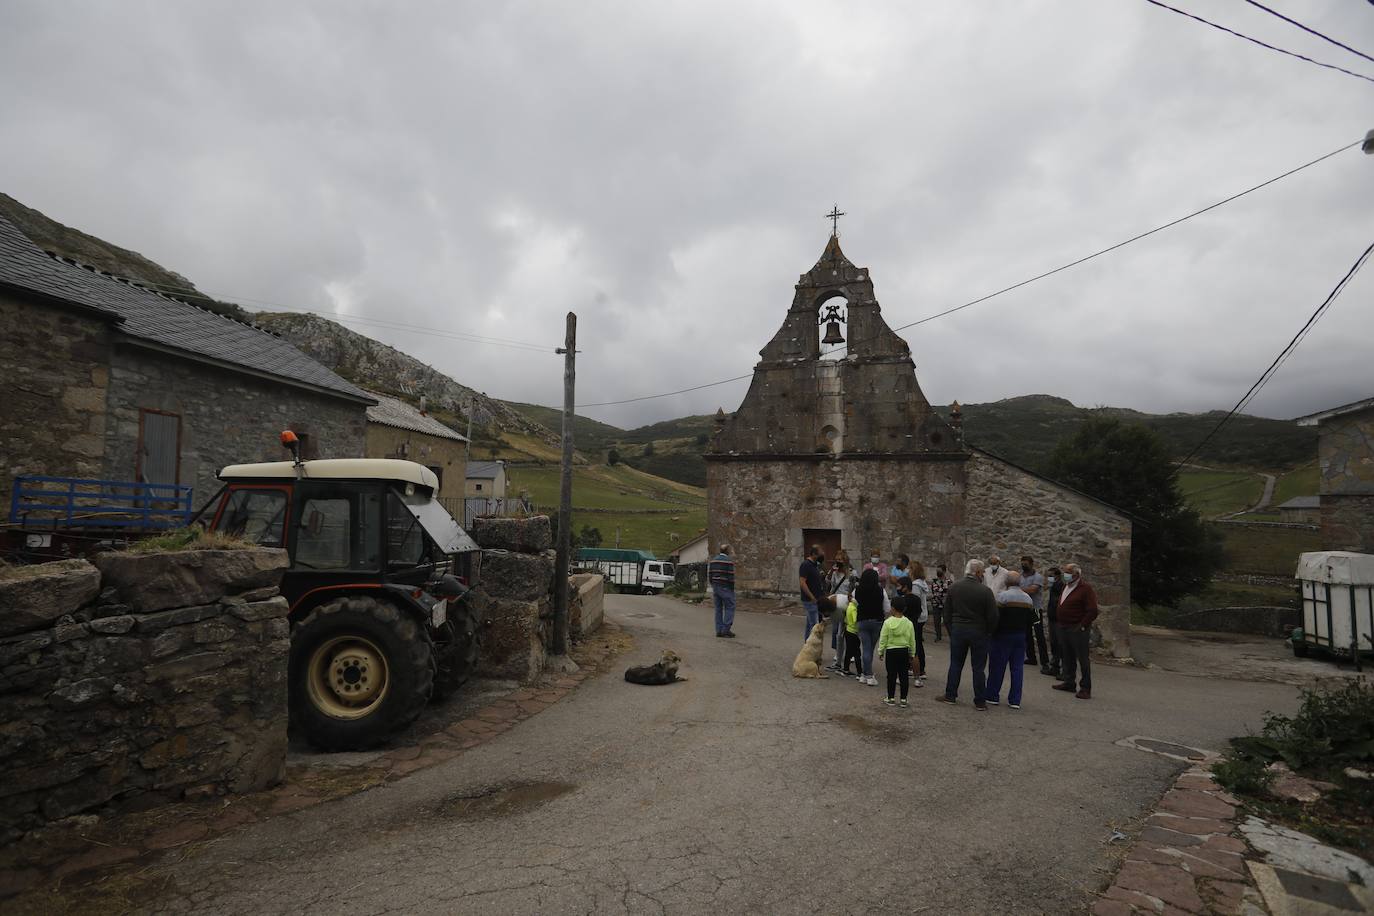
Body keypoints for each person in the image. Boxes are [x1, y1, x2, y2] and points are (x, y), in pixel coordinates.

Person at [936, 559, 999, 710]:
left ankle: (950, 695)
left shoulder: (954, 587)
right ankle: (980, 701)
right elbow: (993, 616)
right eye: (982, 571)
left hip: (958, 629)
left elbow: (947, 612)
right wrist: (988, 632)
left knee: (956, 664)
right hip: (979, 631)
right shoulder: (985, 591)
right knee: (978, 668)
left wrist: (952, 630)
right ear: (977, 572)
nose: (984, 574)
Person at [985, 571, 1035, 709]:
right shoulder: (1028, 599)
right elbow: (1032, 620)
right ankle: (1014, 700)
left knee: (997, 666)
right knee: (1017, 668)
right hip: (1020, 635)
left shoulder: (1002, 597)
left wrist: (991, 632)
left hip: (1003, 635)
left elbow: (995, 618)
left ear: (1007, 582)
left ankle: (992, 695)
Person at [1052, 563, 1099, 700]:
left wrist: (1082, 625)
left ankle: (1085, 687)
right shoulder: (1066, 586)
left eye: (1068, 572)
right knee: (1067, 656)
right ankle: (1069, 682)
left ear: (1076, 575)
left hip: (1077, 628)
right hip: (1064, 626)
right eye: (1065, 572)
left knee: (1082, 658)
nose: (1065, 575)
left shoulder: (1085, 589)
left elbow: (1092, 610)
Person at [877, 595, 917, 707]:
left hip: (891, 651)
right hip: (904, 651)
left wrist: (881, 651)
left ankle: (891, 698)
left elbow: (883, 638)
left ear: (892, 608)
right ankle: (903, 699)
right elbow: (912, 639)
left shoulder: (887, 622)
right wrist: (912, 653)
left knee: (891, 675)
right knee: (904, 675)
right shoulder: (908, 623)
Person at [852, 567, 890, 687]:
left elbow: (854, 602)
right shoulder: (881, 591)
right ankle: (868, 674)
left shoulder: (857, 590)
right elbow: (887, 608)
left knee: (866, 647)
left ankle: (864, 674)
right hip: (876, 621)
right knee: (870, 648)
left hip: (862, 621)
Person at [892, 575, 927, 686]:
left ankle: (898, 677)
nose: (898, 588)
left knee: (900, 653)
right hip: (914, 628)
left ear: (905, 587)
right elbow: (919, 612)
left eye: (899, 586)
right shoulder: (917, 599)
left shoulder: (901, 601)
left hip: (902, 628)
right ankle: (917, 679)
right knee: (914, 654)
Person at [1019, 556, 1047, 666]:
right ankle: (1031, 658)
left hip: (1035, 609)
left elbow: (1033, 590)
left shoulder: (1037, 577)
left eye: (1025, 564)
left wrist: (1018, 590)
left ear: (1031, 564)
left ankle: (1045, 661)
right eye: (1022, 563)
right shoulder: (1020, 576)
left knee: (1039, 634)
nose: (1023, 566)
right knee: (1027, 634)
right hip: (1025, 609)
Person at [708, 543, 736, 638]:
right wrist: (732, 588)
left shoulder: (713, 561)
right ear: (727, 551)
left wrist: (713, 585)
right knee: (730, 606)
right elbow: (731, 577)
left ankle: (719, 630)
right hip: (725, 587)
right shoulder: (729, 562)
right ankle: (726, 630)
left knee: (718, 609)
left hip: (716, 586)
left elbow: (710, 575)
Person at [799, 545, 826, 643]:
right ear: (814, 554)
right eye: (820, 553)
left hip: (816, 599)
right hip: (810, 600)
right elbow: (802, 583)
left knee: (809, 625)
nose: (822, 554)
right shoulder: (806, 565)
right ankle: (813, 649)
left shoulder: (815, 565)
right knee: (815, 627)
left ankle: (807, 645)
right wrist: (812, 597)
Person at [1041, 566, 1064, 676]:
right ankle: (1055, 666)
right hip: (1053, 617)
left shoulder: (1060, 586)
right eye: (1048, 576)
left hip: (1058, 619)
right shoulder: (1054, 586)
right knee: (1054, 643)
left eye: (1051, 576)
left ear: (1057, 576)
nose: (1049, 578)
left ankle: (1061, 668)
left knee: (1059, 644)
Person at [839, 595, 861, 677]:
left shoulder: (849, 607)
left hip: (848, 630)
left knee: (848, 652)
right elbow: (856, 620)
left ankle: (846, 669)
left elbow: (845, 620)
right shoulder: (854, 608)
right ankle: (859, 672)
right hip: (853, 632)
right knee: (857, 653)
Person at [929, 563, 951, 642]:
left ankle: (951, 636)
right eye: (937, 571)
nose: (938, 572)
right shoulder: (934, 582)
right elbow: (932, 592)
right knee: (936, 620)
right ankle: (938, 636)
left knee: (947, 620)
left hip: (946, 604)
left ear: (944, 571)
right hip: (936, 603)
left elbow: (950, 593)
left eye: (940, 571)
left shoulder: (949, 582)